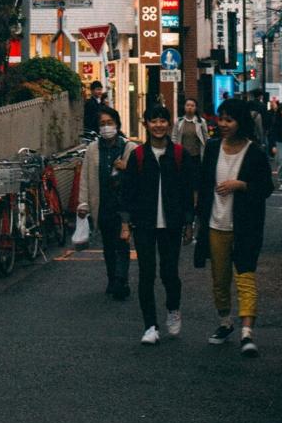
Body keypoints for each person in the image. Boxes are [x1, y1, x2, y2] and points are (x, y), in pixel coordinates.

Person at [194, 97, 274, 358]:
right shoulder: (213, 147)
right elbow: (205, 185)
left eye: (230, 119)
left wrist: (242, 185)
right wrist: (197, 219)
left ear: (241, 122)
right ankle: (225, 322)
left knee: (245, 276)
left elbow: (266, 188)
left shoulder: (255, 152)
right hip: (216, 224)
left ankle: (247, 332)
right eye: (221, 118)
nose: (224, 124)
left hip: (245, 225)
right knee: (220, 278)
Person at [118, 105, 196, 346]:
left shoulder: (180, 154)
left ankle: (173, 309)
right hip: (144, 223)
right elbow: (127, 191)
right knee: (146, 273)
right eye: (154, 121)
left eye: (163, 120)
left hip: (172, 224)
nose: (159, 125)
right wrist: (125, 223)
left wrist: (189, 222)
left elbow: (188, 191)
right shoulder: (139, 155)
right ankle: (150, 325)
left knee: (169, 272)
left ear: (169, 124)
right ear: (146, 124)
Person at [76, 107, 138, 300]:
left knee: (122, 242)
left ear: (117, 125)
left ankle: (121, 280)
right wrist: (83, 203)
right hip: (102, 203)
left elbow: (140, 175)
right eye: (102, 124)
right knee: (108, 245)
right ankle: (112, 278)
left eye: (109, 123)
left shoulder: (130, 148)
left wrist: (126, 167)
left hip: (124, 205)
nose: (106, 127)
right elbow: (86, 177)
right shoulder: (93, 149)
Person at [173, 98, 208, 163]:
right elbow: (174, 137)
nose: (190, 107)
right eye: (188, 105)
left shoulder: (201, 122)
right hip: (182, 156)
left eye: (192, 106)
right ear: (184, 107)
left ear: (196, 108)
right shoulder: (179, 121)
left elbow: (206, 138)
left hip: (196, 156)